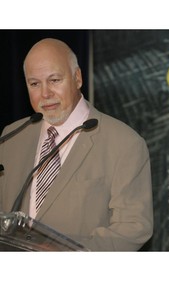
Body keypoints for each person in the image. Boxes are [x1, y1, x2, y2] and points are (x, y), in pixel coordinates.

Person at [0, 38, 153, 251]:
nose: (45, 93)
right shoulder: (12, 138)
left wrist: (64, 254)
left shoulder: (125, 143)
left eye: (54, 80)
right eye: (34, 83)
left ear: (78, 77)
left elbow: (132, 229)